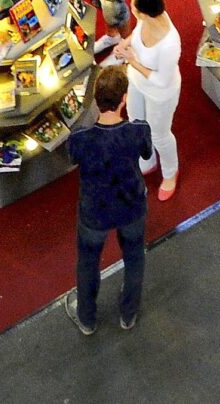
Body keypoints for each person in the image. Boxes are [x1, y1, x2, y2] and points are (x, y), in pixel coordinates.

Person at [63, 63, 153, 334]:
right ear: (124, 98)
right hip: (131, 206)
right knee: (135, 257)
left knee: (88, 262)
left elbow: (72, 158)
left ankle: (87, 319)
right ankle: (128, 314)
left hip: (95, 211)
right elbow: (147, 155)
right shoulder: (139, 130)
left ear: (96, 101)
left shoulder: (80, 139)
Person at [114, 0, 184, 201]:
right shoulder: (147, 19)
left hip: (160, 93)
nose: (131, 8)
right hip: (137, 81)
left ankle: (170, 172)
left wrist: (131, 61)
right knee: (136, 121)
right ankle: (148, 159)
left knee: (159, 134)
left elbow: (162, 81)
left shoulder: (170, 43)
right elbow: (136, 34)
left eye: (134, 6)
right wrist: (126, 44)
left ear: (144, 13)